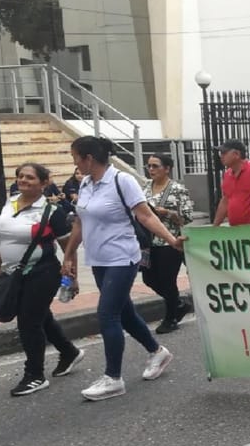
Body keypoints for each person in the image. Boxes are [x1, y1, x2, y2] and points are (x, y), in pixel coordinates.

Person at [61, 136, 183, 401]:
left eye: (75, 157)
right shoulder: (85, 184)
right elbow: (80, 223)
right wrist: (68, 256)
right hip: (97, 259)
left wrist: (172, 240)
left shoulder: (122, 181)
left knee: (107, 314)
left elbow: (145, 215)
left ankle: (113, 378)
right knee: (124, 313)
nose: (74, 162)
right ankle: (157, 352)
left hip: (122, 257)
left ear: (88, 158)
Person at [0, 163, 85, 396]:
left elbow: (68, 247)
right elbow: (5, 233)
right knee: (40, 317)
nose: (23, 180)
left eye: (30, 178)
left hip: (42, 273)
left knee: (28, 322)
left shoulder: (52, 212)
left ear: (44, 183)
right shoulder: (10, 202)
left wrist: (71, 276)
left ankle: (35, 375)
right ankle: (69, 351)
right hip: (12, 272)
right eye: (21, 176)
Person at [142, 153, 194, 334]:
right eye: (149, 166)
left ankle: (171, 317)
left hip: (169, 242)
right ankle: (178, 303)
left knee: (167, 280)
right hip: (148, 241)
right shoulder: (146, 187)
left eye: (155, 166)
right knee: (148, 278)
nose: (151, 170)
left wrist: (168, 213)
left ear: (167, 168)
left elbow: (186, 217)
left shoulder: (177, 189)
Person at [212, 139, 250, 227]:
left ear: (237, 154)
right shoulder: (227, 174)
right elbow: (225, 201)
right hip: (236, 233)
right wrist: (214, 227)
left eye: (224, 152)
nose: (221, 156)